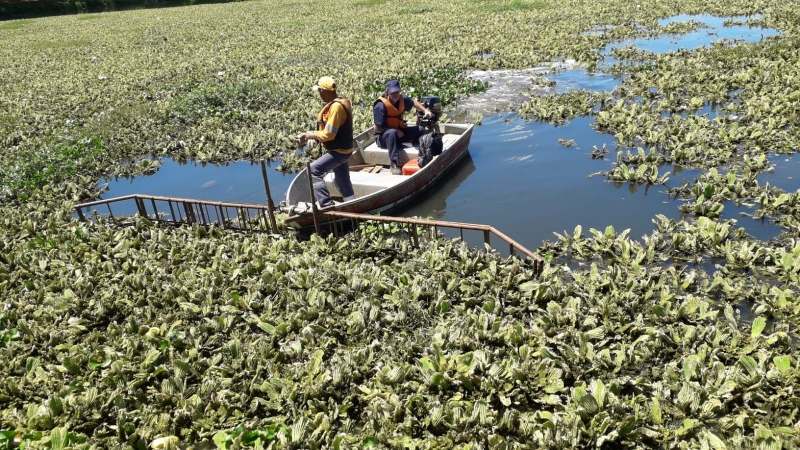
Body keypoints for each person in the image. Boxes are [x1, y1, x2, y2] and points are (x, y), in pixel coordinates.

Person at [296, 76, 356, 208]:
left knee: (313, 170)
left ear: (323, 91)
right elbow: (330, 131)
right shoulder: (336, 104)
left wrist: (310, 135)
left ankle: (327, 205)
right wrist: (314, 138)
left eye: (319, 91)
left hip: (340, 151)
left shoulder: (336, 107)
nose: (319, 94)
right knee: (342, 179)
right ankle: (351, 203)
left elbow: (329, 134)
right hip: (343, 149)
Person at [373, 80, 434, 174]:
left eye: (397, 92)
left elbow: (413, 102)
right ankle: (394, 163)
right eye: (393, 92)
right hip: (384, 138)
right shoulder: (380, 106)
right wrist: (396, 130)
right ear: (387, 92)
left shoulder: (402, 99)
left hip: (399, 134)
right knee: (392, 133)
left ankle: (420, 152)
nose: (396, 95)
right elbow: (377, 128)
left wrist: (425, 111)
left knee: (420, 130)